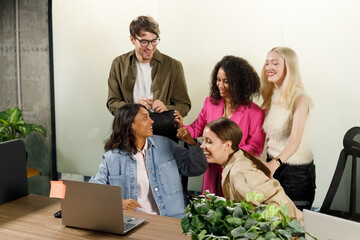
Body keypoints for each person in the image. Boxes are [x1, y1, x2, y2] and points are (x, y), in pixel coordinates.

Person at [89, 103, 207, 218]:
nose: (152, 121)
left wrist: (192, 143)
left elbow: (196, 168)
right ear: (131, 124)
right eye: (145, 118)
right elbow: (93, 191)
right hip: (135, 221)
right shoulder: (112, 158)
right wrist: (117, 203)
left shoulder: (165, 144)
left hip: (172, 220)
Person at [175, 55, 265, 196]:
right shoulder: (210, 103)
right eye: (218, 80)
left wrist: (224, 154)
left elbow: (255, 148)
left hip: (236, 173)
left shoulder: (255, 112)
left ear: (238, 84)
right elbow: (197, 128)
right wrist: (182, 126)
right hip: (211, 171)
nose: (220, 85)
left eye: (226, 81)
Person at [200, 117, 303, 223]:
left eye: (208, 141)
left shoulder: (239, 172)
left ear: (227, 145)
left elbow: (277, 203)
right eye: (203, 140)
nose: (202, 145)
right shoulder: (234, 165)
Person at [260, 46, 316, 210]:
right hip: (275, 164)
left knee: (291, 227)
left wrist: (274, 164)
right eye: (267, 63)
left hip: (295, 173)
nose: (269, 67)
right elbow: (271, 137)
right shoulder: (272, 94)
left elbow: (295, 139)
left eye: (275, 63)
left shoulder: (300, 98)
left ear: (289, 66)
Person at [106, 15, 191, 117]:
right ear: (132, 39)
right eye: (144, 42)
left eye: (154, 41)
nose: (150, 47)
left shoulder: (173, 66)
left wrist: (166, 108)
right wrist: (134, 109)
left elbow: (184, 105)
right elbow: (112, 103)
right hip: (130, 127)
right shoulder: (118, 64)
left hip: (162, 128)